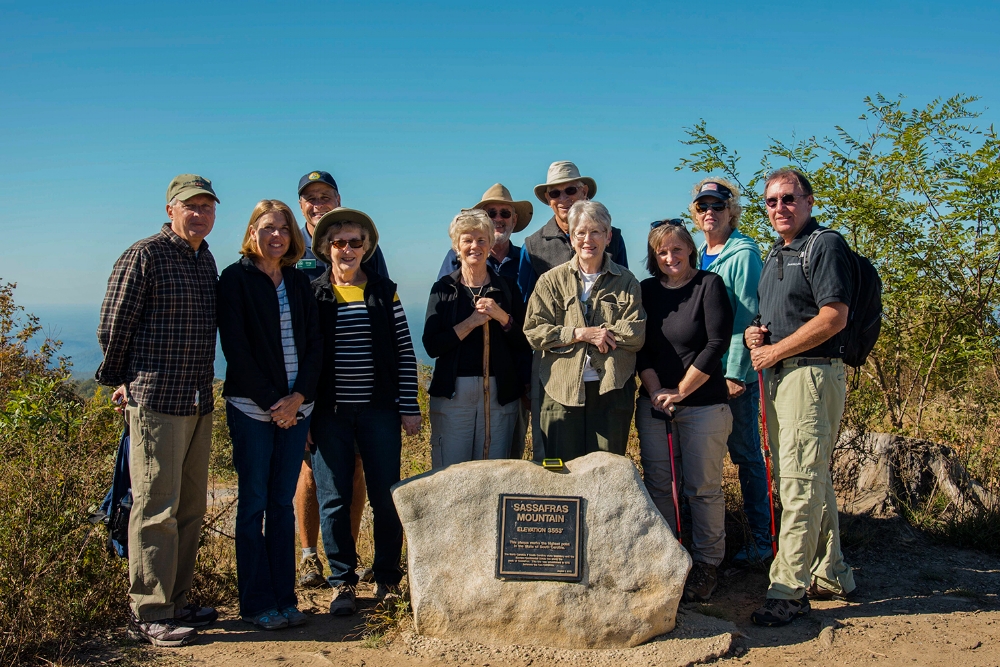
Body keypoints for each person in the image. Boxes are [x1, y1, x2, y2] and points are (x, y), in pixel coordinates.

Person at [96, 174, 221, 647]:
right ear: (171, 209)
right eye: (192, 206)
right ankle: (148, 610)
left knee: (189, 507)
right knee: (154, 509)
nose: (200, 214)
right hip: (156, 401)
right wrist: (121, 379)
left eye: (208, 207)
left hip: (197, 400)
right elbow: (114, 323)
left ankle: (178, 601)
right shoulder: (144, 254)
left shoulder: (205, 259)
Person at [745, 168, 857, 627]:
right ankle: (832, 574)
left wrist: (776, 350)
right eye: (771, 201)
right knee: (812, 480)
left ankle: (787, 589)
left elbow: (834, 317)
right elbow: (783, 315)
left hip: (811, 376)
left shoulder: (825, 245)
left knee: (799, 483)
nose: (779, 208)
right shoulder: (776, 252)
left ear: (809, 201)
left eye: (788, 199)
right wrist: (758, 334)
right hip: (780, 377)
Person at [308, 208, 421, 616]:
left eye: (356, 242)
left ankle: (387, 578)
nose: (348, 249)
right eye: (339, 243)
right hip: (329, 414)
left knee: (386, 496)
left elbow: (405, 353)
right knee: (334, 498)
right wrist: (304, 416)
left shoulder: (383, 290)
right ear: (326, 248)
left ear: (366, 247)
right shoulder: (314, 294)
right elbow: (305, 360)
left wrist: (409, 407)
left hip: (379, 411)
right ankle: (342, 583)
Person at [218, 200, 323, 630]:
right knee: (254, 505)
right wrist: (274, 404)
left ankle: (285, 599)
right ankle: (257, 603)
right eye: (267, 227)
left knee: (282, 505)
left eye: (283, 227)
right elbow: (236, 351)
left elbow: (317, 345)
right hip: (252, 410)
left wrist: (298, 398)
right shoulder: (235, 279)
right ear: (252, 232)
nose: (276, 235)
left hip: (297, 409)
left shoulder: (299, 283)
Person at [635, 220, 734, 603]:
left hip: (703, 404)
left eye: (677, 249)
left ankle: (707, 563)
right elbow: (641, 348)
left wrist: (680, 391)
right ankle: (668, 556)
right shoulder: (645, 291)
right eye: (662, 252)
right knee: (659, 483)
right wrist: (657, 390)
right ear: (653, 257)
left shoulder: (708, 285)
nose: (670, 257)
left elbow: (716, 343)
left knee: (702, 488)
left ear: (690, 249)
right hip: (654, 403)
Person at [293, 170, 382, 588]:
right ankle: (309, 556)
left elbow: (379, 305)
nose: (317, 203)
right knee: (312, 474)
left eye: (325, 195)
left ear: (338, 199)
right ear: (301, 205)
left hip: (361, 394)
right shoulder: (291, 246)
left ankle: (345, 555)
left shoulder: (362, 244)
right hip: (315, 388)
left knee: (358, 471)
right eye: (310, 197)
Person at [518, 161, 630, 461]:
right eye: (555, 193)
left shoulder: (614, 238)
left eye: (570, 190)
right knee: (554, 458)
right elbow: (528, 309)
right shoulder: (533, 245)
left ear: (585, 192)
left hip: (604, 373)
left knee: (604, 462)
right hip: (555, 367)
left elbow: (621, 293)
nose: (563, 198)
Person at [691, 179, 771, 566]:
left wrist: (738, 374)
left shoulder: (742, 255)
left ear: (731, 211)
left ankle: (761, 541)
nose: (710, 212)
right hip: (701, 373)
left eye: (718, 206)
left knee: (745, 455)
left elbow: (747, 317)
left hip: (732, 375)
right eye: (703, 206)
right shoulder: (697, 255)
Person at [435, 184, 533, 460]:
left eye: (505, 212)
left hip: (509, 384)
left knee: (505, 459)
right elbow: (438, 331)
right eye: (491, 212)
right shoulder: (450, 272)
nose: (498, 218)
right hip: (460, 385)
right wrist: (472, 321)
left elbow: (526, 331)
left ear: (514, 219)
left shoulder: (526, 261)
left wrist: (526, 380)